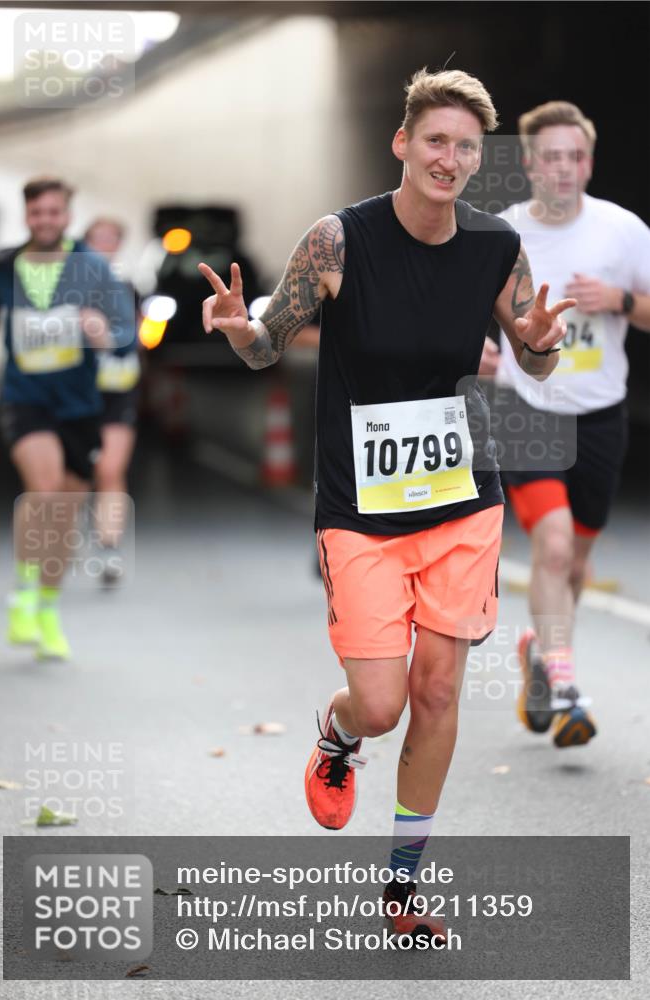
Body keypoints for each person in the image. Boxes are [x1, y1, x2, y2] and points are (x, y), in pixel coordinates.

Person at [198, 69, 572, 939]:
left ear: (481, 160)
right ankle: (336, 734)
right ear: (401, 143)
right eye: (434, 141)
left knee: (437, 691)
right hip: (360, 511)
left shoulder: (494, 249)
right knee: (382, 704)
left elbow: (534, 357)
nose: (449, 158)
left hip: (460, 498)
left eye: (465, 147)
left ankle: (402, 890)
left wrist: (542, 348)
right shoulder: (338, 242)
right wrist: (239, 327)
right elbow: (267, 347)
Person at [492, 102, 650, 748]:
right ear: (528, 163)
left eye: (575, 156)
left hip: (599, 415)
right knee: (552, 548)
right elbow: (454, 307)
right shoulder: (499, 233)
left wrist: (619, 301)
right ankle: (563, 686)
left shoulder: (622, 232)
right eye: (550, 156)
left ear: (588, 161)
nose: (563, 168)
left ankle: (539, 651)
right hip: (525, 409)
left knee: (575, 560)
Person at [0, 177, 135, 658]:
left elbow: (126, 333)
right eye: (35, 213)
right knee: (43, 489)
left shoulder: (90, 267)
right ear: (26, 216)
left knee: (66, 512)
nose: (44, 221)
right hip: (25, 398)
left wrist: (101, 331)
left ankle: (47, 606)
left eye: (53, 212)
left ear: (67, 216)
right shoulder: (2, 267)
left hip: (79, 406)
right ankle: (25, 590)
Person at [84, 217, 140, 586]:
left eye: (111, 239)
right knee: (71, 473)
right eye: (97, 239)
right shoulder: (69, 287)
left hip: (119, 389)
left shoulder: (128, 288)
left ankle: (108, 547)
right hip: (77, 391)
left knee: (110, 469)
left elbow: (140, 337)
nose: (105, 245)